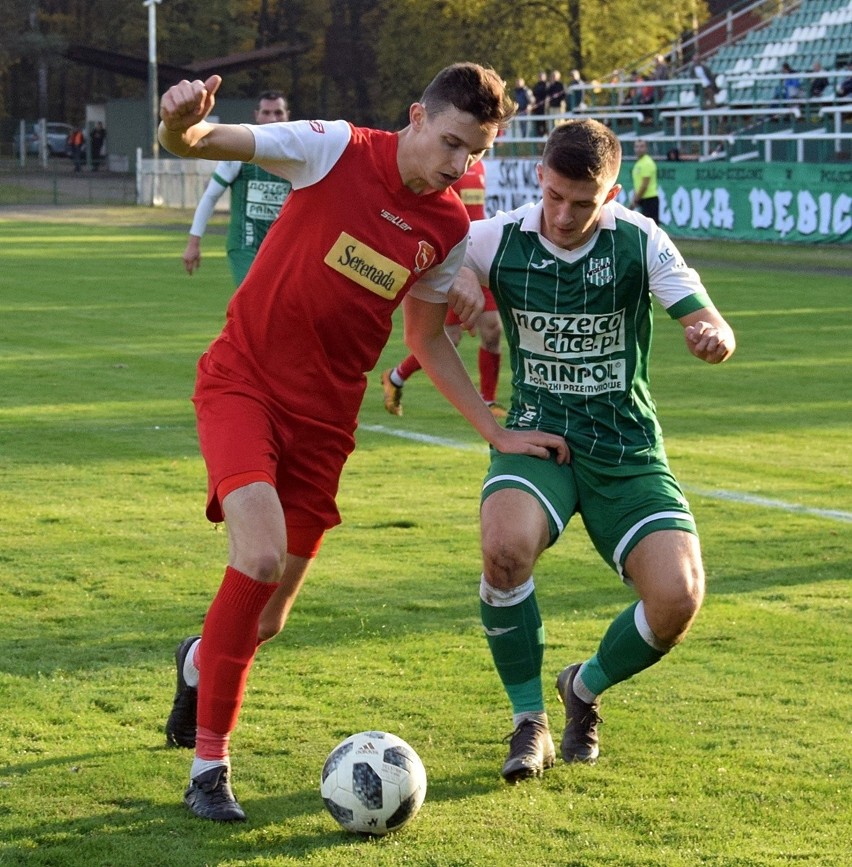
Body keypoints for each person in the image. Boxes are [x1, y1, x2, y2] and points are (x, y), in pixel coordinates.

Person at [157, 63, 569, 822]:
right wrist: (179, 123)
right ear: (416, 115)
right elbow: (207, 142)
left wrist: (494, 425)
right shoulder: (333, 148)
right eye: (449, 143)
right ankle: (207, 768)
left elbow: (426, 337)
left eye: (472, 154)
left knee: (269, 617)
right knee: (254, 556)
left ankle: (196, 663)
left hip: (326, 424)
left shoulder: (445, 227)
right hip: (243, 384)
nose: (457, 165)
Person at [458, 118, 735, 783]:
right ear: (540, 180)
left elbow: (704, 315)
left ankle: (582, 686)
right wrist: (462, 277)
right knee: (503, 549)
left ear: (611, 195)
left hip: (625, 446)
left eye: (582, 203)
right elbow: (446, 251)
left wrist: (712, 333)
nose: (562, 214)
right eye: (553, 195)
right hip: (536, 439)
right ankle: (529, 721)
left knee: (678, 599)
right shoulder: (499, 237)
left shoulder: (640, 240)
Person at [381, 159, 506, 419]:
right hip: (452, 261)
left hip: (479, 258)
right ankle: (395, 377)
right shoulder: (447, 165)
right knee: (448, 338)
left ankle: (489, 400)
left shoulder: (481, 166)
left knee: (493, 329)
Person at [182, 91, 292, 286]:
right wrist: (194, 242)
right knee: (255, 297)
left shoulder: (296, 156)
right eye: (266, 112)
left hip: (283, 246)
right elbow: (210, 197)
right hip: (245, 245)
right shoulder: (240, 153)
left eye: (278, 112)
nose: (272, 119)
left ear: (287, 115)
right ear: (256, 115)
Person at [631, 138, 659, 222]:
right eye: (637, 147)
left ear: (646, 148)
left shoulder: (647, 163)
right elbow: (638, 183)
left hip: (649, 198)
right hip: (642, 198)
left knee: (651, 227)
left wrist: (636, 199)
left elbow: (644, 185)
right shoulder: (639, 163)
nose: (639, 149)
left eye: (641, 146)